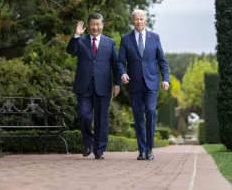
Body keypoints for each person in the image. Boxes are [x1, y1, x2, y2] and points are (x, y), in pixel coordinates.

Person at [66, 13, 120, 160]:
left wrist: (117, 83)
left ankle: (99, 149)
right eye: (92, 24)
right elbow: (70, 51)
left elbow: (116, 65)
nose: (95, 27)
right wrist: (76, 35)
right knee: (84, 115)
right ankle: (88, 143)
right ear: (88, 26)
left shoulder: (110, 43)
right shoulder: (81, 41)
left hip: (103, 86)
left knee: (102, 119)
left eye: (98, 24)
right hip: (84, 86)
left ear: (102, 25)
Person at [118, 9, 170, 160]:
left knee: (150, 111)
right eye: (136, 19)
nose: (139, 22)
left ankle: (150, 148)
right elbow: (121, 62)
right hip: (134, 83)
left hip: (152, 82)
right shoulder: (125, 39)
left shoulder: (154, 37)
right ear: (132, 21)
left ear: (145, 21)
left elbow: (162, 60)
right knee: (138, 116)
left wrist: (165, 78)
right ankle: (142, 150)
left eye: (141, 19)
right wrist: (122, 74)